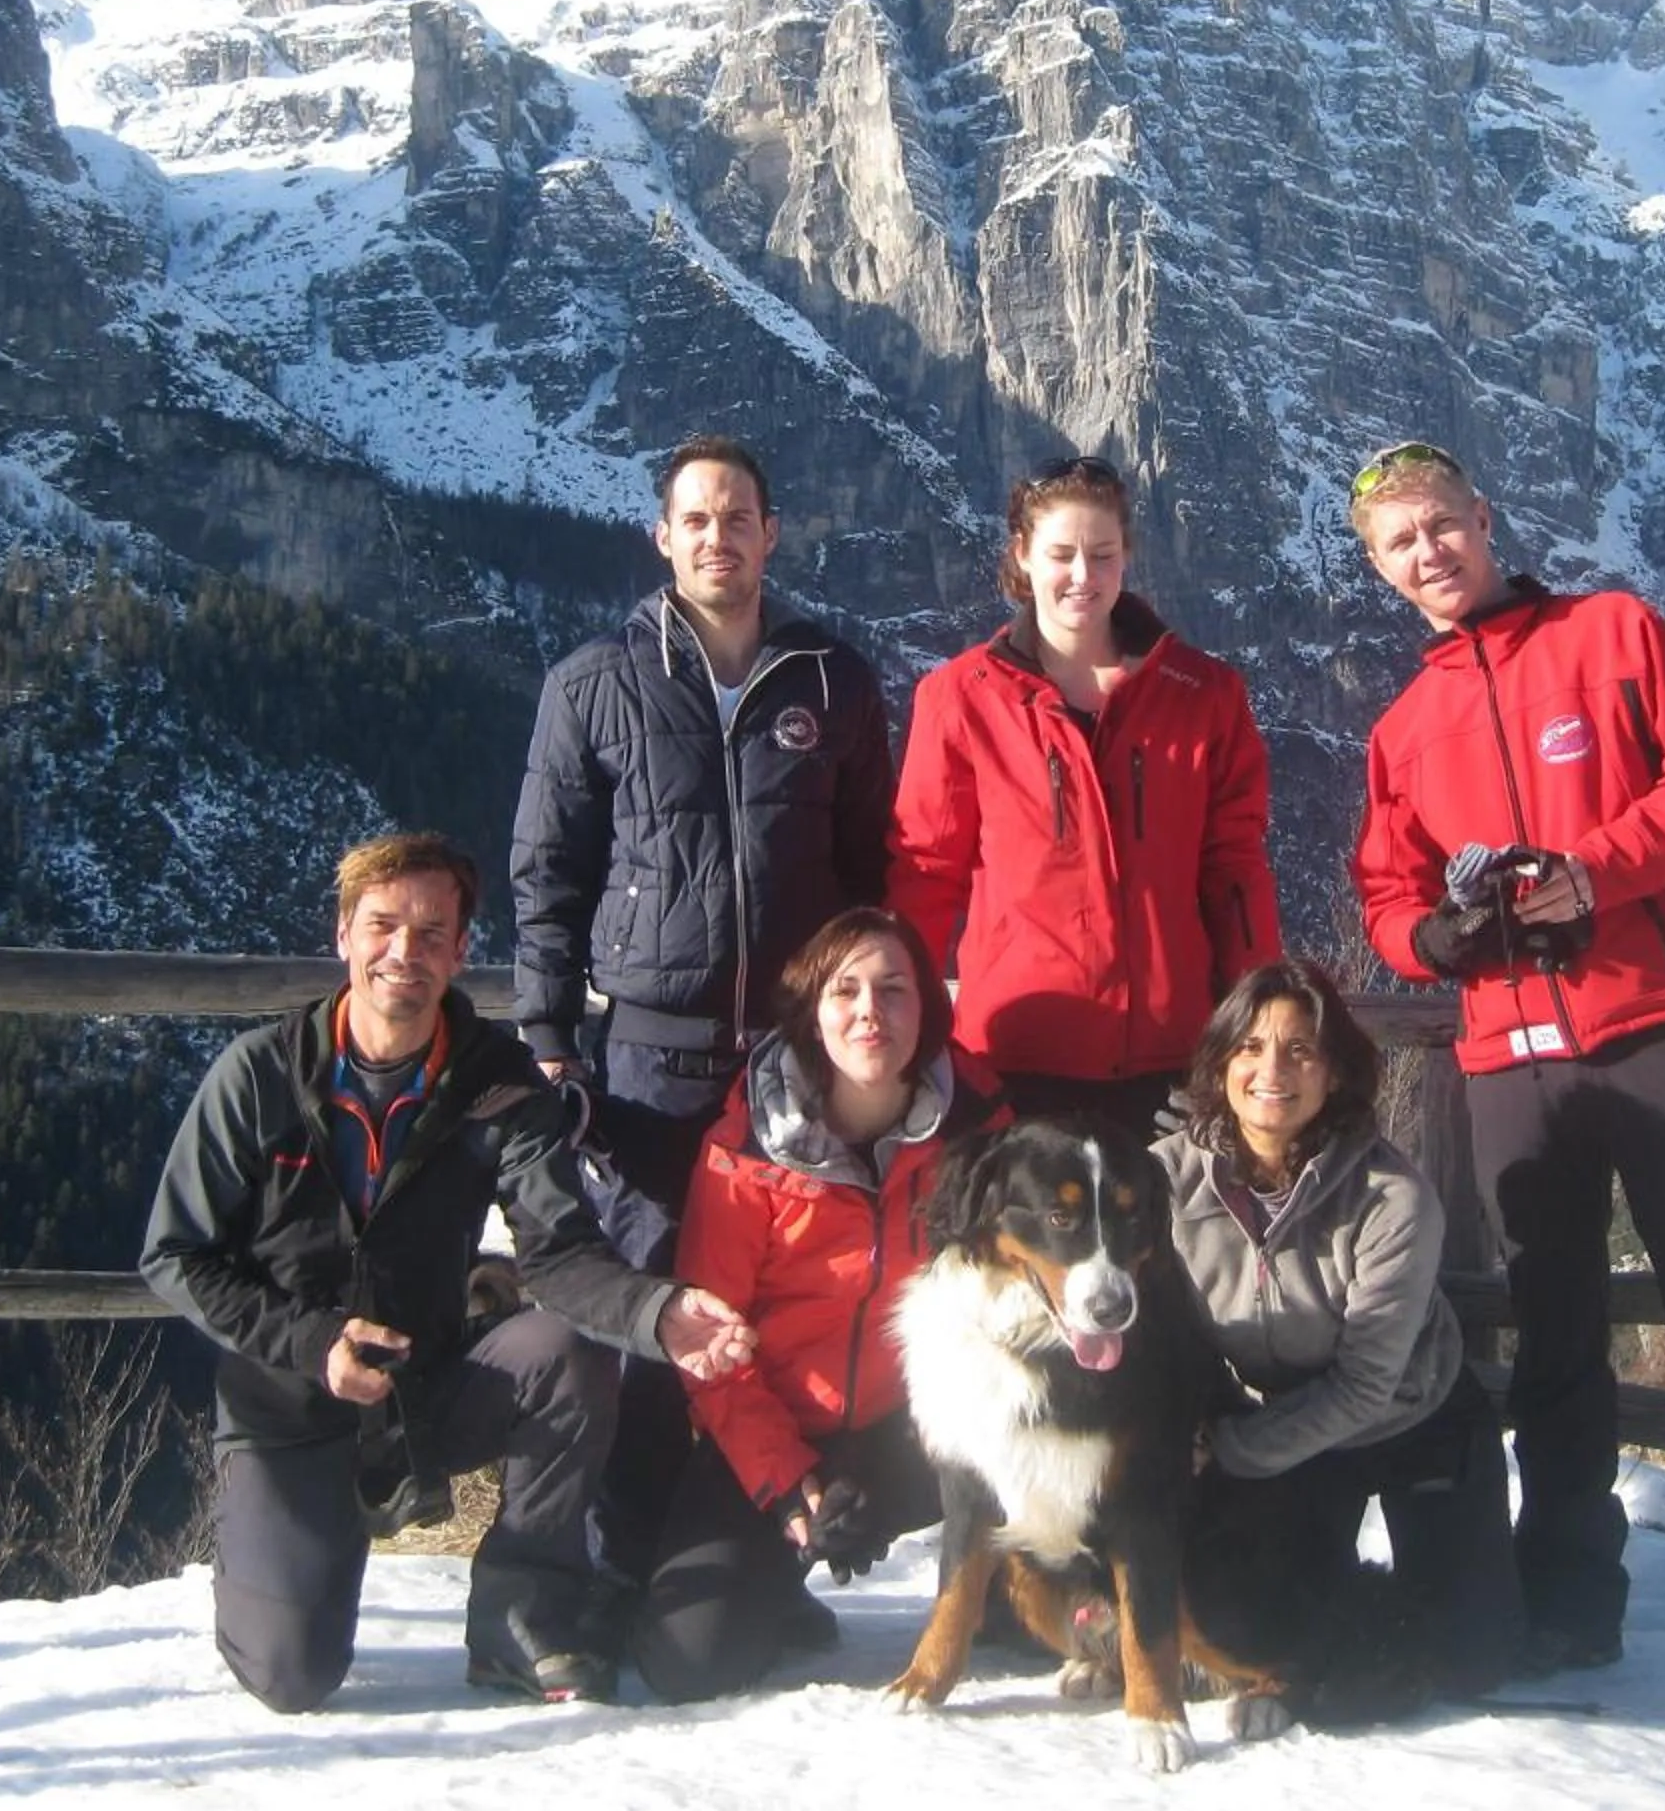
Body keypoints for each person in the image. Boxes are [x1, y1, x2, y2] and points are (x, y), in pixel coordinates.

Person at [1345, 441, 1665, 1729]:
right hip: (1510, 1066)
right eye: (1400, 542)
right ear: (1377, 568)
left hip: (1655, 1034)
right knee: (1558, 1353)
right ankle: (1571, 1610)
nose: (1430, 553)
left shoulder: (1611, 634)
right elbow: (1386, 892)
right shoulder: (1404, 726)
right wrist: (1433, 944)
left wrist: (1597, 869)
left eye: (1442, 525)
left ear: (1485, 518)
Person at [140, 832, 756, 1714]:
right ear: (343, 935)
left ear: (461, 952)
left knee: (566, 1355)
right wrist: (314, 1343)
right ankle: (295, 1548)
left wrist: (657, 1313)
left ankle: (521, 1620)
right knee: (290, 1675)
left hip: (425, 1387)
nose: (405, 952)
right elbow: (175, 1253)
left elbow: (559, 1250)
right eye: (383, 926)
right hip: (290, 1406)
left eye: (432, 933)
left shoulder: (497, 1085)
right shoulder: (260, 1077)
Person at [509, 435, 895, 1585]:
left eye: (738, 518)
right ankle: (610, 1570)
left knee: (780, 1316)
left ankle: (743, 1554)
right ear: (662, 537)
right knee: (646, 1318)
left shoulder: (835, 682)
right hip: (647, 1067)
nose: (718, 537)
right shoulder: (594, 682)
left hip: (792, 1066)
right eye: (697, 519)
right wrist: (546, 1039)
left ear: (771, 534)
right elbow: (548, 875)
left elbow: (873, 869)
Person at [633, 907, 1000, 1702]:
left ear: (926, 1009)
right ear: (813, 1012)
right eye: (847, 990)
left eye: (895, 989)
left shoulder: (978, 1133)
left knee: (1015, 1616)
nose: (871, 1010)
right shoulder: (748, 1151)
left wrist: (884, 1460)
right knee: (689, 1665)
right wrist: (787, 1480)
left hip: (918, 1427)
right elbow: (711, 1346)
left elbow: (1004, 1312)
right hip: (779, 1424)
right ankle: (779, 1573)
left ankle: (1009, 1583)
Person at [1159, 958, 1523, 1719]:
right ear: (1221, 1060)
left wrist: (1230, 1448)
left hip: (1413, 1417)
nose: (1271, 1070)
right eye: (1251, 1047)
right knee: (1259, 1627)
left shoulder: (1392, 1199)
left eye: (1300, 1051)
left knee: (1471, 1660)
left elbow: (1365, 1386)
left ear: (1335, 1074)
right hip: (1283, 1423)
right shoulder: (1164, 1180)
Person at [890, 455, 1282, 1131]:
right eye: (1061, 554)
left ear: (1127, 554)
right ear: (1024, 555)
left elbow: (1235, 874)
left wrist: (1258, 1025)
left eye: (1101, 554)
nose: (1082, 575)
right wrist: (906, 1028)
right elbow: (926, 874)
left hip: (1173, 1060)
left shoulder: (1205, 695)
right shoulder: (961, 699)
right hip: (1015, 1058)